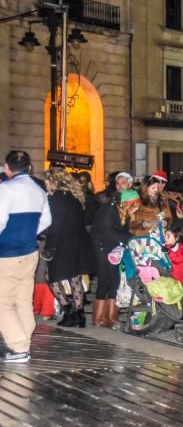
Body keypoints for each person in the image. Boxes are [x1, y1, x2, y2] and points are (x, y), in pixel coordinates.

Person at [0, 151, 53, 362]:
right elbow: (47, 220)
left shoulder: (6, 188)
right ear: (29, 168)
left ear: (7, 167)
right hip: (30, 251)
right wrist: (29, 233)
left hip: (8, 253)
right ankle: (25, 341)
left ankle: (19, 347)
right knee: (23, 299)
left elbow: (0, 221)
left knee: (3, 303)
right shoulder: (39, 189)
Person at [42, 168, 96, 328]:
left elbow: (55, 224)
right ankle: (79, 315)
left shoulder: (55, 198)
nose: (45, 183)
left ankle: (68, 309)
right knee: (75, 277)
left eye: (47, 180)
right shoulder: (75, 196)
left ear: (54, 180)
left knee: (50, 276)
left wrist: (49, 245)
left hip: (62, 242)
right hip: (78, 241)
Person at [89, 190, 137, 328]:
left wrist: (132, 237)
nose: (134, 208)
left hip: (113, 247)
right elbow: (108, 232)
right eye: (133, 205)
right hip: (102, 248)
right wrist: (129, 239)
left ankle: (112, 317)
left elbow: (121, 231)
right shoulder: (109, 210)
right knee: (105, 280)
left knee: (115, 281)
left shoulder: (120, 211)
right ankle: (99, 318)